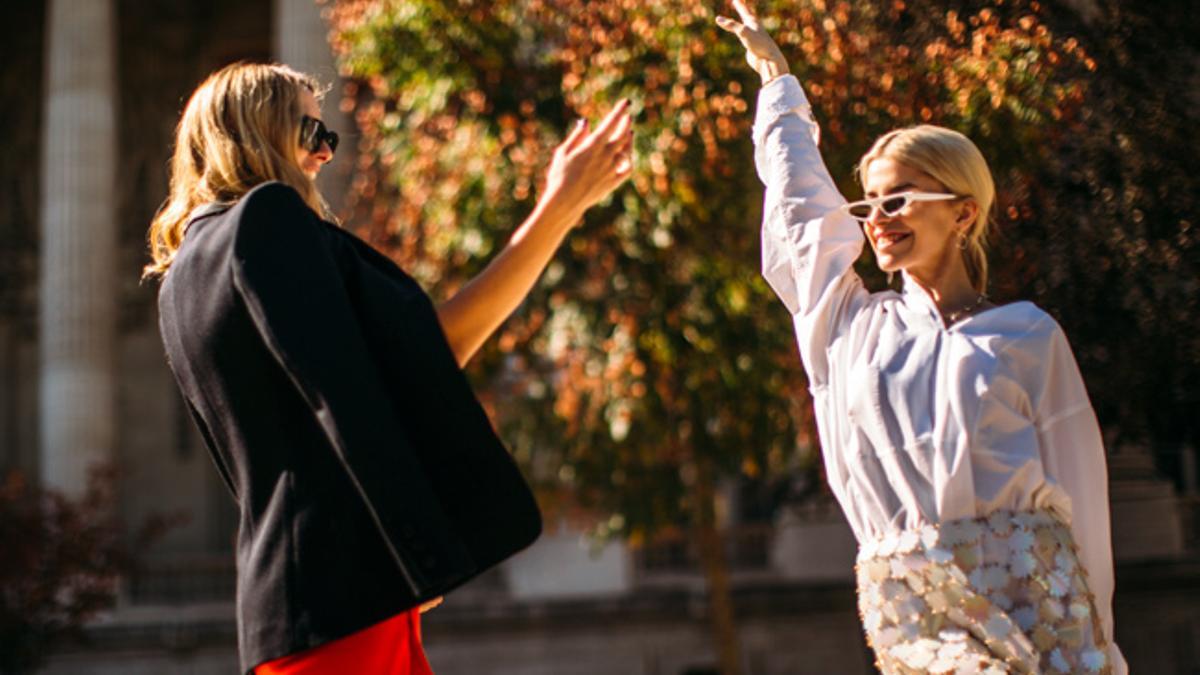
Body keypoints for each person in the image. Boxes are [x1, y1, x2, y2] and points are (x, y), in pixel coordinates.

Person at [144, 62, 632, 675]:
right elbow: (349, 391)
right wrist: (413, 550)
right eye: (311, 132)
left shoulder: (181, 275)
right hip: (347, 598)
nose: (324, 153)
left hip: (288, 607)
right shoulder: (270, 218)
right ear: (260, 129)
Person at [718, 2, 1126, 673]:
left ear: (963, 212)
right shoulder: (848, 329)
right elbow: (801, 218)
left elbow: (1081, 490)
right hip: (917, 610)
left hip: (1042, 607)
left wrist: (1101, 643)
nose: (876, 219)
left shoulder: (1026, 334)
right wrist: (778, 89)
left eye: (898, 199)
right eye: (869, 202)